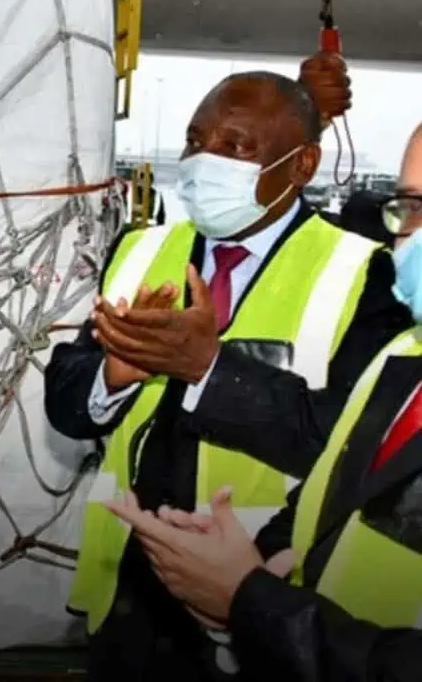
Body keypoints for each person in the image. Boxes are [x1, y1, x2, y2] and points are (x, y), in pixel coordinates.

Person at [44, 53, 413, 680]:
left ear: (302, 165)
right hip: (131, 587)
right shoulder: (140, 249)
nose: (204, 159)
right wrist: (116, 373)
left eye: (235, 146)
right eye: (196, 141)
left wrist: (208, 370)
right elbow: (67, 402)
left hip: (266, 587)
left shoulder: (365, 272)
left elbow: (346, 442)